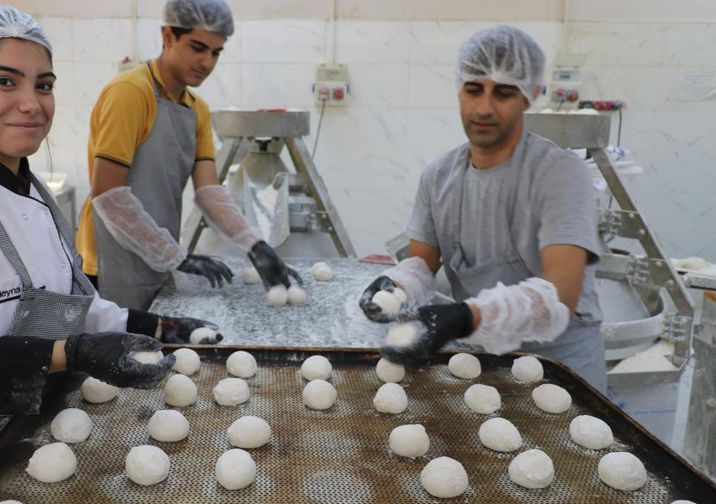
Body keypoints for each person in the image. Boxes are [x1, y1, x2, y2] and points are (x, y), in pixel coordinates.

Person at [0, 5, 220, 502]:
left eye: (43, 85)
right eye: (5, 81)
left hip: (15, 441)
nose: (31, 103)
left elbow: (60, 301)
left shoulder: (33, 194)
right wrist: (68, 354)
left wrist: (144, 324)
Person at [360, 25, 606, 392]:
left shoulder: (560, 174)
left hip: (560, 370)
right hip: (477, 366)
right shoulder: (439, 175)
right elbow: (422, 264)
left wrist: (464, 317)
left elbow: (559, 297)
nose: (484, 107)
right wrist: (396, 287)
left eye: (504, 93)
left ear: (529, 96)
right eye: (473, 89)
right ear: (459, 90)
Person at [76, 0, 300, 310]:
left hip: (153, 255)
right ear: (168, 36)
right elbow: (108, 194)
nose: (207, 62)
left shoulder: (197, 110)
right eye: (198, 48)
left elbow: (209, 192)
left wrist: (255, 245)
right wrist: (174, 255)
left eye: (216, 53)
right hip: (107, 263)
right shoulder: (130, 92)